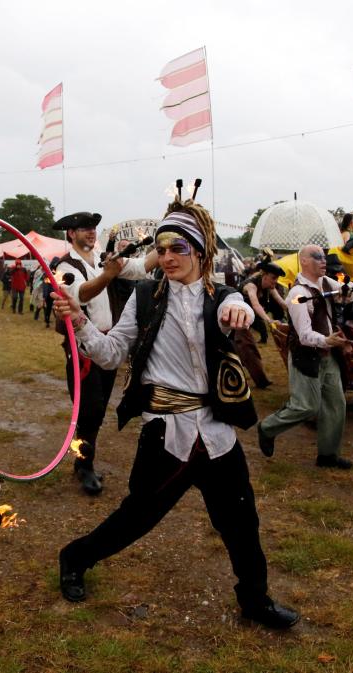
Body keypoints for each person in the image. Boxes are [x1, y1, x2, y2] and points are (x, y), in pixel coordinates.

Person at [53, 192, 299, 630]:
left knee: (241, 522)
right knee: (136, 517)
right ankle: (74, 556)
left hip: (217, 435)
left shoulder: (222, 297)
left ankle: (255, 601)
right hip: (166, 433)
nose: (167, 257)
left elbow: (232, 306)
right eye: (161, 249)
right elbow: (111, 354)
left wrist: (238, 308)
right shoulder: (145, 297)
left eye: (178, 249)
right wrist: (80, 321)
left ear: (200, 251)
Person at [54, 211, 158, 495]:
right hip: (82, 348)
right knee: (89, 409)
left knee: (97, 411)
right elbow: (81, 294)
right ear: (71, 234)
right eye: (84, 228)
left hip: (107, 345)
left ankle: (83, 462)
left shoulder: (102, 259)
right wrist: (109, 274)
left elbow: (140, 268)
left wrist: (164, 244)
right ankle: (84, 466)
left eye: (93, 228)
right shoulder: (65, 267)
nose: (91, 232)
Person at [257, 245, 353, 469]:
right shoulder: (297, 295)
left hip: (328, 354)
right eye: (317, 257)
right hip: (306, 355)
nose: (323, 261)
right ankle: (267, 428)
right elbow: (304, 335)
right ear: (305, 261)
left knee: (336, 404)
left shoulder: (328, 283)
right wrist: (327, 340)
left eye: (324, 257)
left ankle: (328, 455)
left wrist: (349, 289)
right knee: (306, 407)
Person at [233, 261, 286, 388]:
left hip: (250, 315)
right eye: (273, 278)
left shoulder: (270, 286)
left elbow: (282, 302)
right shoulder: (251, 286)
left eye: (277, 278)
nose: (275, 281)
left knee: (240, 349)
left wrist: (297, 309)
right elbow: (256, 304)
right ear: (264, 275)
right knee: (248, 346)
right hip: (236, 316)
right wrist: (270, 320)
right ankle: (261, 381)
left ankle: (254, 377)